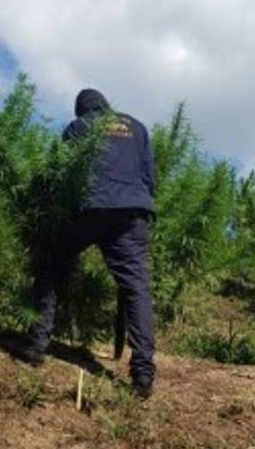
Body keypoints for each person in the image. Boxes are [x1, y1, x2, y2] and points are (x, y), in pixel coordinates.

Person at [22, 89, 157, 398]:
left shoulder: (78, 127)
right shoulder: (136, 127)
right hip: (132, 212)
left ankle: (36, 346)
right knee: (135, 287)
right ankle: (143, 374)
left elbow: (65, 173)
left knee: (50, 266)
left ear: (82, 110)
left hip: (88, 208)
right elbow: (149, 178)